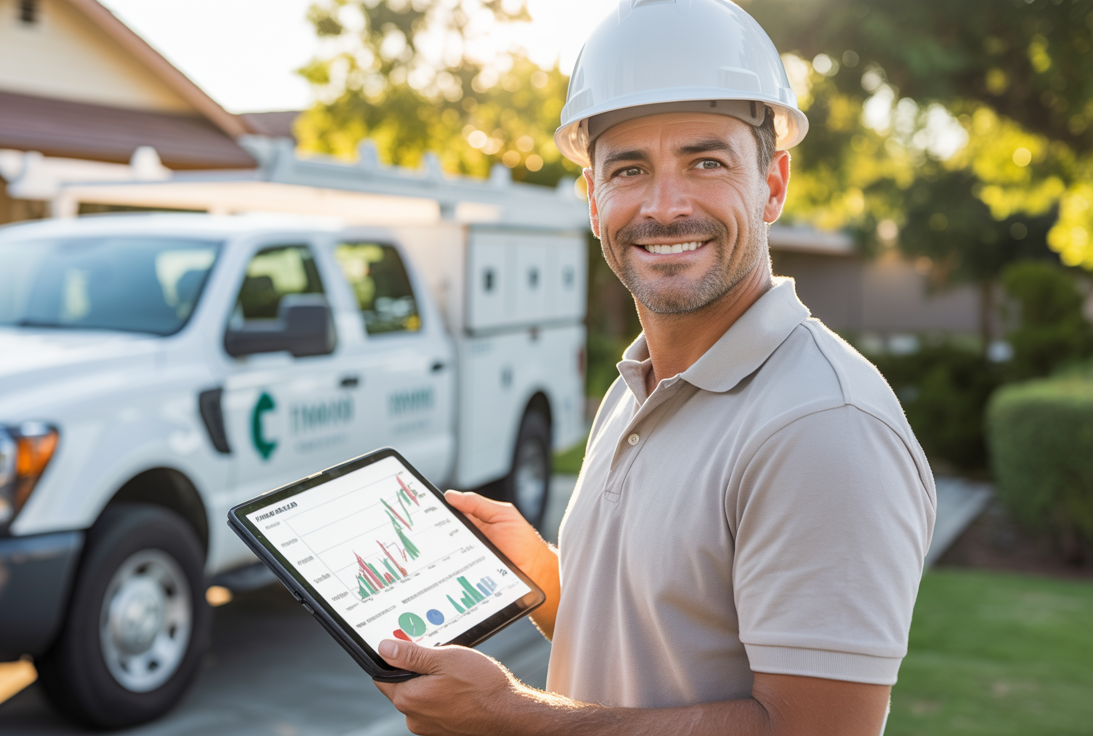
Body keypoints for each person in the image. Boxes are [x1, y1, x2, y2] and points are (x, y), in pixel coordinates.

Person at [373, 1, 937, 735]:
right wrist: (542, 579)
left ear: (772, 184)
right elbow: (655, 650)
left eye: (706, 161)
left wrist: (509, 718)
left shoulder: (824, 425)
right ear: (593, 198)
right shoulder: (638, 384)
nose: (665, 207)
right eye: (630, 169)